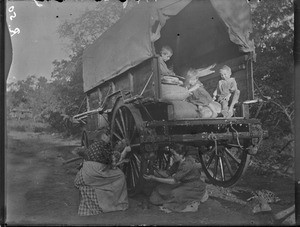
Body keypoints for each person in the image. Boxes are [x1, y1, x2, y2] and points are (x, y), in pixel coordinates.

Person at [74, 133, 131, 216]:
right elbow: (113, 163)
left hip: (84, 172)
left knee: (111, 172)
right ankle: (116, 203)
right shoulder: (106, 147)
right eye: (107, 136)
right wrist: (125, 150)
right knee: (120, 175)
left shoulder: (95, 145)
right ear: (103, 137)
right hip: (94, 172)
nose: (109, 137)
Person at [143, 144, 208, 213]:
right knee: (160, 188)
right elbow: (166, 174)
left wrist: (154, 178)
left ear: (181, 155)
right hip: (184, 184)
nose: (172, 157)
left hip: (194, 186)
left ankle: (190, 197)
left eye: (174, 155)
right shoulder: (177, 162)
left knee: (174, 193)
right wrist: (155, 168)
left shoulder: (187, 164)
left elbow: (173, 181)